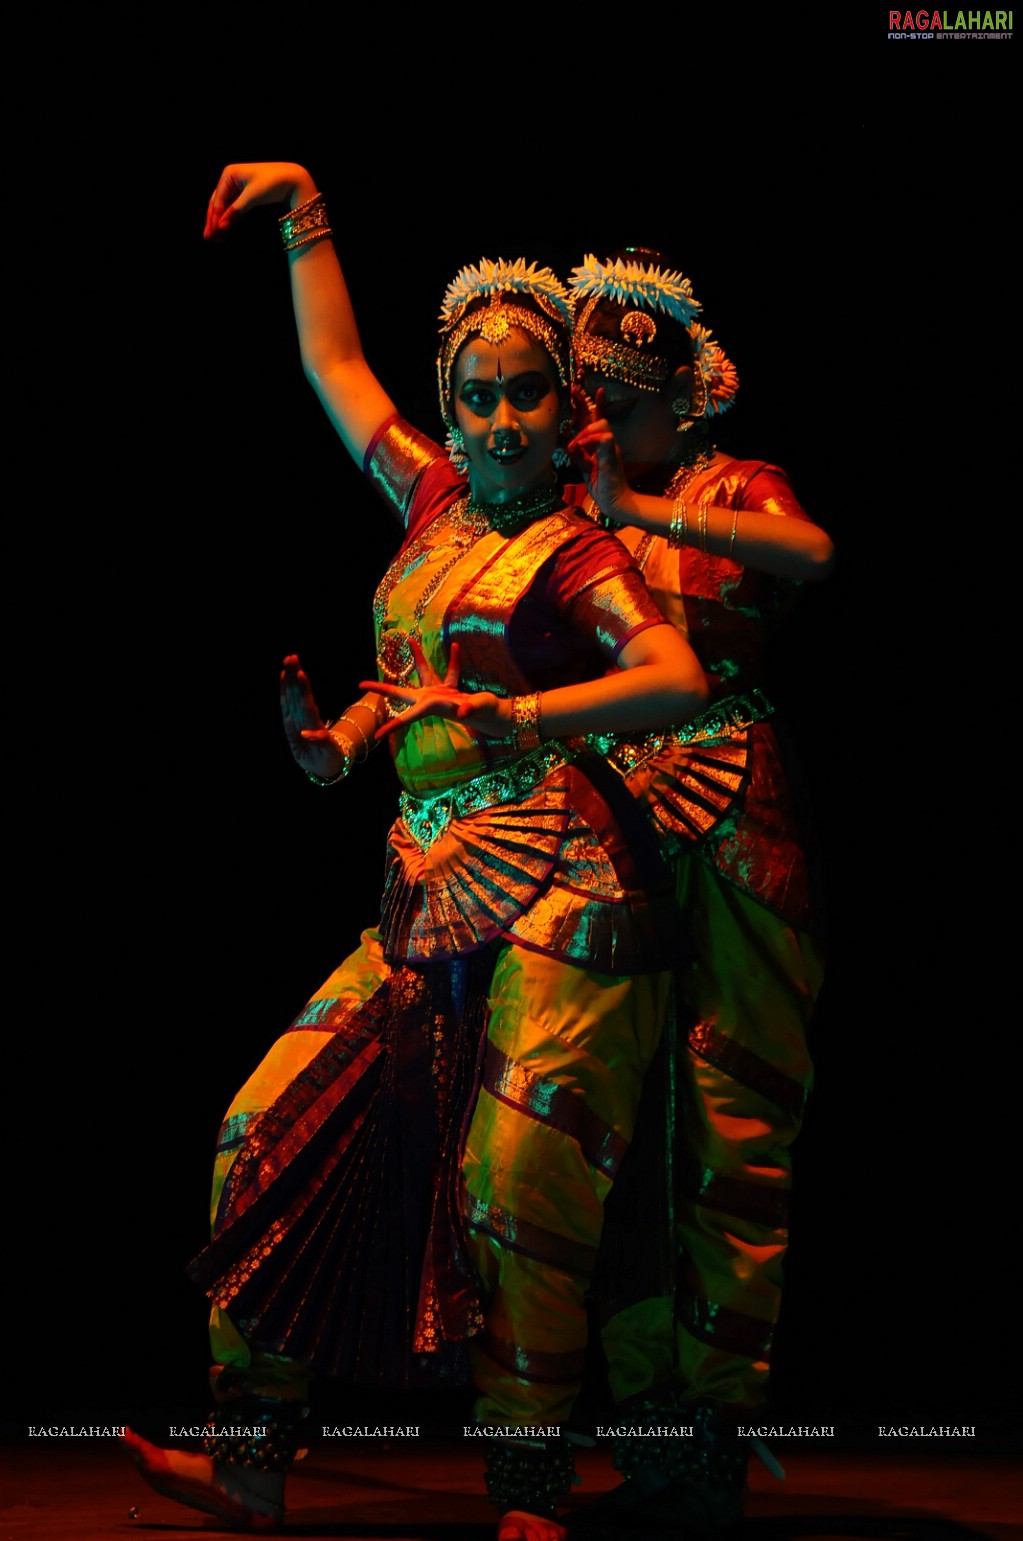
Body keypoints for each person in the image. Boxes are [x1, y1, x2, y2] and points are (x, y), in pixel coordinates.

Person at [121, 172, 751, 1541]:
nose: (500, 420)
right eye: (476, 395)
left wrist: (508, 717)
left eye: (528, 394)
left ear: (565, 409)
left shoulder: (578, 550)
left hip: (573, 896)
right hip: (425, 889)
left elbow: (670, 674)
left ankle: (525, 1490)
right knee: (258, 1131)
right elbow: (330, 363)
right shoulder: (426, 501)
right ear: (449, 402)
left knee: (513, 1187)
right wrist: (304, 210)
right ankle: (252, 1455)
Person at [563, 249, 835, 1532]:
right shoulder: (570, 505)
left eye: (628, 396)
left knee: (731, 1118)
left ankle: (717, 1434)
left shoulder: (729, 488)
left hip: (737, 823)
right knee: (613, 1129)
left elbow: (812, 554)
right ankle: (652, 1441)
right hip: (608, 821)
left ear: (691, 397)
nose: (604, 418)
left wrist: (648, 514)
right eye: (591, 395)